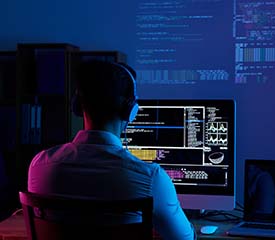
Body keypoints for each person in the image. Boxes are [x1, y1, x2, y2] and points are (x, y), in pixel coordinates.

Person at [28, 60, 196, 240]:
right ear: (130, 110)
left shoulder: (40, 166)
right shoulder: (151, 178)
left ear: (77, 105)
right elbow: (183, 238)